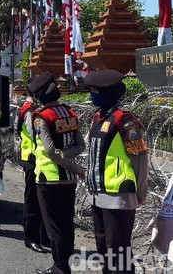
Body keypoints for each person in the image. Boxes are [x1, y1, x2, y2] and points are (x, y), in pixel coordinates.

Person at [83, 70, 148, 274]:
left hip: (118, 194)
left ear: (107, 92)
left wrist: (141, 189)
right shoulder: (98, 117)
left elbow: (140, 156)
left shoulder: (125, 120)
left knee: (118, 252)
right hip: (98, 194)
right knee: (104, 249)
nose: (91, 96)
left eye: (95, 91)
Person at [28, 73, 86, 274]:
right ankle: (64, 265)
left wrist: (72, 165)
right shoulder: (69, 112)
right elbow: (80, 145)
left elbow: (50, 150)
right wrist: (71, 162)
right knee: (67, 225)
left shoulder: (41, 116)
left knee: (54, 228)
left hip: (48, 178)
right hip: (69, 180)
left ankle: (60, 268)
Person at [16, 94, 50, 253]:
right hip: (31, 159)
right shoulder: (29, 112)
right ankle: (31, 238)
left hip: (39, 159)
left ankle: (44, 236)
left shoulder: (33, 110)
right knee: (32, 200)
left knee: (42, 199)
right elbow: (34, 135)